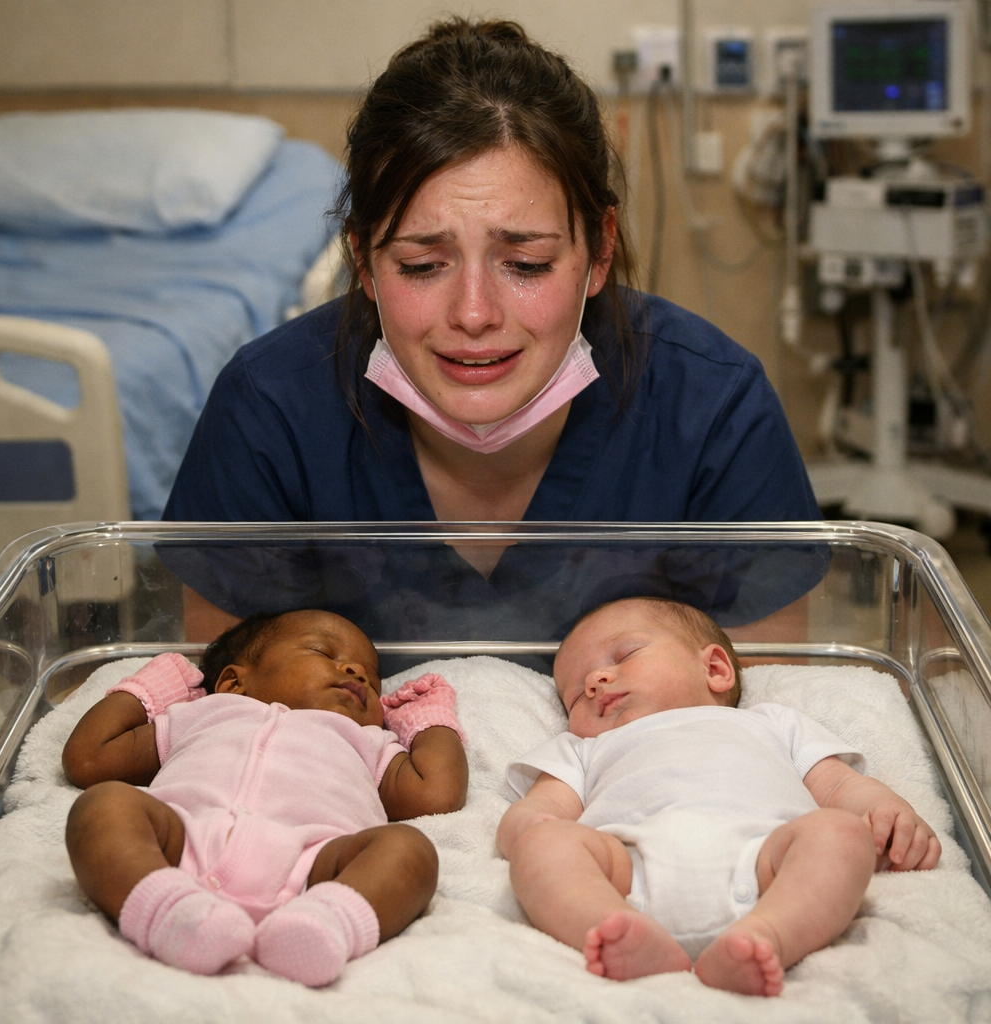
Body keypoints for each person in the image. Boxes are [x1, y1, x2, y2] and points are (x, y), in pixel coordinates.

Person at [160, 17, 822, 646]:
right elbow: (228, 712)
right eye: (421, 266)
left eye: (525, 264)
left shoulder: (712, 410)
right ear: (363, 260)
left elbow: (766, 715)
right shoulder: (271, 410)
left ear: (598, 252)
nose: (474, 314)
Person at [497, 597, 941, 997]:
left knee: (841, 834)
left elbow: (839, 785)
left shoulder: (771, 723)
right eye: (575, 694)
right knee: (543, 848)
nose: (595, 681)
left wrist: (885, 810)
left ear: (715, 669)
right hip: (625, 872)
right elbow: (546, 808)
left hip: (770, 864)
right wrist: (528, 826)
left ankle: (769, 934)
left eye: (624, 655)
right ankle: (610, 925)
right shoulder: (584, 748)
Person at [62, 609, 468, 986]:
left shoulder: (369, 741)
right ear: (233, 682)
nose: (356, 672)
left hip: (318, 864)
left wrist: (427, 721)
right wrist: (148, 689)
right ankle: (165, 907)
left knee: (410, 851)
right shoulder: (205, 713)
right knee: (104, 806)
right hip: (179, 840)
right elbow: (88, 758)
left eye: (373, 680)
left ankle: (326, 922)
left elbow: (437, 793)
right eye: (322, 651)